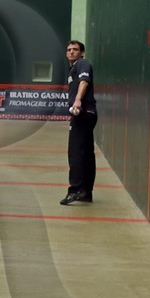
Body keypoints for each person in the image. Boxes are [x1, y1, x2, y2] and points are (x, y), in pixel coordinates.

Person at [61, 40, 97, 205]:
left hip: (82, 113)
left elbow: (84, 81)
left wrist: (77, 100)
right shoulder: (72, 69)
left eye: (75, 49)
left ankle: (75, 190)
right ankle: (86, 192)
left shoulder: (82, 64)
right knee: (87, 153)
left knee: (75, 153)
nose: (71, 52)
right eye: (69, 50)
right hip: (88, 114)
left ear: (81, 53)